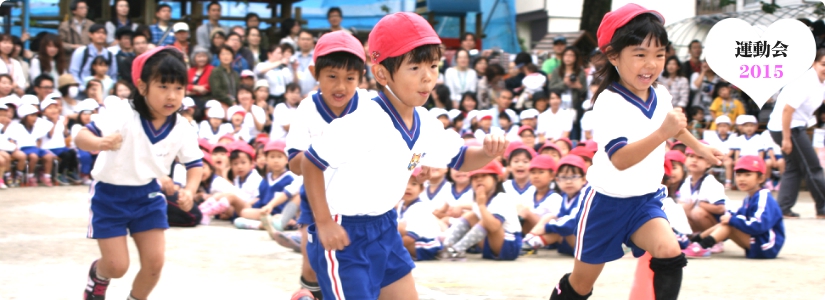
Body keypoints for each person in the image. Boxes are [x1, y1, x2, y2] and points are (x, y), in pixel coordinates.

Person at [301, 12, 507, 299]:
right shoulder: (364, 121)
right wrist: (323, 222)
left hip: (385, 227)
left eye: (433, 66)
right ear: (382, 73)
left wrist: (488, 151)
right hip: (343, 232)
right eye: (414, 68)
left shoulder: (426, 123)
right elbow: (312, 162)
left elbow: (461, 158)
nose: (427, 77)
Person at [547, 5, 723, 300]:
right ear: (613, 56)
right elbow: (621, 159)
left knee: (669, 252)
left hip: (645, 200)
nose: (651, 64)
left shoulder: (661, 94)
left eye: (659, 54)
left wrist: (701, 148)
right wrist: (662, 134)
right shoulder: (608, 102)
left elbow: (675, 128)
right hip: (605, 204)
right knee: (581, 284)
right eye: (640, 54)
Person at [75, 47, 203, 300]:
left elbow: (195, 163)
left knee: (154, 264)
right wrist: (99, 143)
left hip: (148, 195)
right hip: (109, 196)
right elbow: (81, 135)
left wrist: (190, 190)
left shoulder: (182, 127)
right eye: (163, 86)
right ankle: (98, 277)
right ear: (142, 86)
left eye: (179, 88)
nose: (172, 96)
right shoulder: (123, 112)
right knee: (116, 266)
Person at [282, 31, 368, 299]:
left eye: (350, 78)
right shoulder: (308, 109)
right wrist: (319, 157)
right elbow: (294, 162)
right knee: (311, 264)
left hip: (357, 199)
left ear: (361, 77)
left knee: (351, 259)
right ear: (314, 72)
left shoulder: (368, 105)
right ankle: (310, 293)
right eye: (332, 76)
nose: (341, 86)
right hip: (316, 196)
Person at [683, 156, 785, 259]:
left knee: (730, 224)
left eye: (747, 175)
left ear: (761, 178)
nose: (742, 179)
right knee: (728, 222)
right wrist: (731, 218)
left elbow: (759, 225)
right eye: (739, 175)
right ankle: (693, 243)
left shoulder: (763, 196)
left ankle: (701, 247)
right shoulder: (749, 198)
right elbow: (739, 216)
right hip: (757, 242)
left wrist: (732, 219)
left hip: (766, 245)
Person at [767, 48, 825, 219]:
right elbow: (787, 111)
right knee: (812, 166)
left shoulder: (821, 82)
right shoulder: (806, 82)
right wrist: (786, 139)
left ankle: (783, 208)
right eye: (823, 64)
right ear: (814, 64)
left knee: (794, 168)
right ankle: (823, 207)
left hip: (793, 126)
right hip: (787, 127)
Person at [522, 155, 589, 256]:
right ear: (557, 180)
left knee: (563, 227)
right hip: (571, 244)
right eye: (564, 177)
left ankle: (531, 243)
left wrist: (547, 227)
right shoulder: (565, 197)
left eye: (574, 177)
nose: (568, 181)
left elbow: (574, 221)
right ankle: (528, 240)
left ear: (584, 179)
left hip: (587, 245)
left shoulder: (585, 195)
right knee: (550, 217)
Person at [679, 143, 728, 238]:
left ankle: (715, 240)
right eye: (691, 156)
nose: (694, 160)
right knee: (682, 210)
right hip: (700, 222)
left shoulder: (710, 182)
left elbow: (721, 208)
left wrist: (702, 204)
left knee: (697, 212)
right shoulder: (687, 181)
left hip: (720, 225)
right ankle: (694, 238)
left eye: (700, 157)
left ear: (709, 163)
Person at [397, 167, 444, 261]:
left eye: (414, 184)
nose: (408, 187)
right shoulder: (401, 204)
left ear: (421, 189)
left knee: (393, 227)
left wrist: (390, 249)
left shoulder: (419, 207)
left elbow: (411, 237)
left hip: (428, 245)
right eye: (404, 183)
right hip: (415, 242)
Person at [5, 104, 56, 186]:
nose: (35, 118)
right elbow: (12, 140)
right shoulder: (17, 126)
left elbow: (39, 139)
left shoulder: (36, 126)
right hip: (23, 148)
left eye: (36, 116)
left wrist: (38, 147)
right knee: (34, 156)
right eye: (32, 116)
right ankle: (30, 176)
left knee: (49, 156)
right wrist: (16, 149)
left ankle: (46, 176)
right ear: (24, 117)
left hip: (34, 148)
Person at [69, 24, 118, 93]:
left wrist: (111, 88)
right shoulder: (81, 51)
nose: (101, 35)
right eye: (98, 33)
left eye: (103, 33)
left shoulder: (110, 54)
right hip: (83, 91)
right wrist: (82, 88)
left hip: (105, 91)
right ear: (90, 35)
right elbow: (74, 73)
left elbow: (113, 75)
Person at [294, 30, 317, 97]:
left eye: (308, 39)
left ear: (313, 41)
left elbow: (322, 81)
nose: (305, 42)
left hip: (314, 97)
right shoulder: (293, 58)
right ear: (298, 41)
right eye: (303, 39)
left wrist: (309, 96)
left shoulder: (318, 58)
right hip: (295, 99)